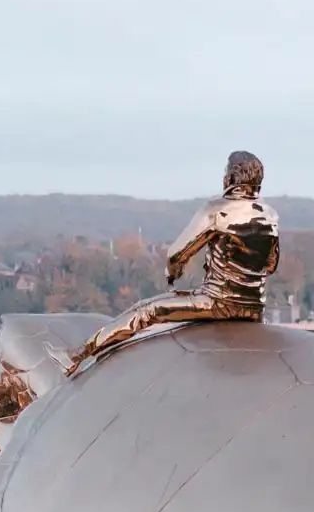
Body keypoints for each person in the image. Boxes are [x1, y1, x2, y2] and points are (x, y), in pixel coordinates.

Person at [67, 151, 279, 373]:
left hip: (218, 302)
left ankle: (78, 356)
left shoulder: (217, 209)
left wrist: (173, 273)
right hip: (255, 308)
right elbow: (271, 264)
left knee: (145, 311)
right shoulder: (270, 215)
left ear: (232, 177)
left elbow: (177, 254)